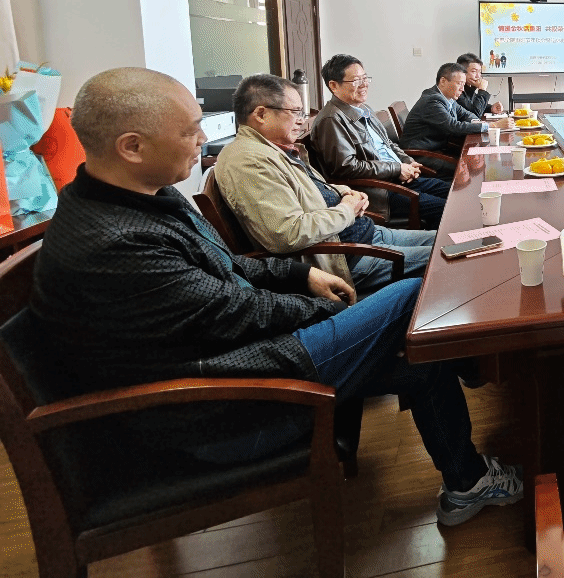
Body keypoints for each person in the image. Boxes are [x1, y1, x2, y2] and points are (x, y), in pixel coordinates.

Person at [30, 68, 522, 525]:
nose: (203, 140)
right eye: (191, 131)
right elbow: (232, 310)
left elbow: (225, 267)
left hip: (238, 362)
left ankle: (467, 482)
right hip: (222, 407)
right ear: (132, 147)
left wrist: (300, 275)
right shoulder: (113, 243)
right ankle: (491, 367)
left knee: (422, 361)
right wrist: (324, 310)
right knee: (414, 291)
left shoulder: (138, 197)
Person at [217, 74, 435, 296]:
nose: (302, 120)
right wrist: (347, 209)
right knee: (446, 254)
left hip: (360, 234)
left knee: (445, 238)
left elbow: (310, 188)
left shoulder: (272, 148)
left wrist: (345, 192)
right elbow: (288, 234)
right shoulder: (248, 161)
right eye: (295, 112)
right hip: (344, 256)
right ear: (261, 114)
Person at [309, 54, 450, 229]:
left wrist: (407, 162)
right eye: (356, 80)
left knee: (452, 191)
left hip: (397, 177)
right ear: (333, 86)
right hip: (381, 191)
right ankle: (437, 245)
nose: (364, 85)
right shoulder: (331, 119)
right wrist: (397, 168)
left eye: (365, 78)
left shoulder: (364, 108)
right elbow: (347, 167)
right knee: (445, 208)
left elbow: (388, 144)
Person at [402, 63, 510, 166]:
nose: (462, 89)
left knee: (479, 157)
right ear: (443, 81)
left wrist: (479, 123)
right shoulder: (433, 101)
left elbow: (467, 114)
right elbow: (454, 126)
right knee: (471, 165)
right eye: (459, 83)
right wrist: (492, 125)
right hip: (423, 155)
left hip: (439, 148)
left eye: (463, 84)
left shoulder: (448, 98)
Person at [455, 52, 504, 118]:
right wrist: (482, 90)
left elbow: (473, 105)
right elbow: (474, 115)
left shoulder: (469, 87)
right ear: (461, 72)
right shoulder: (456, 90)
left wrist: (490, 108)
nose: (478, 76)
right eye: (474, 71)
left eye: (479, 72)